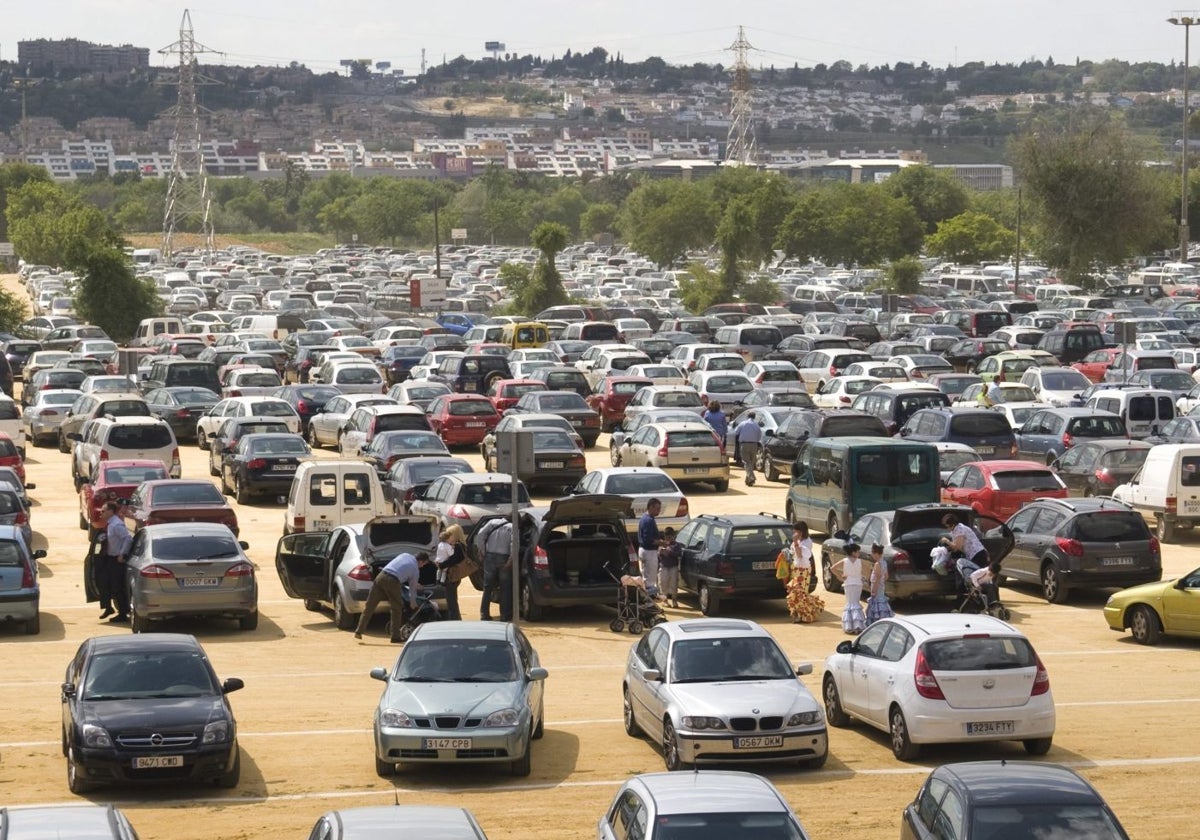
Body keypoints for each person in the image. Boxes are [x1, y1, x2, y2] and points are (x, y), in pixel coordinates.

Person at [354, 551, 431, 641]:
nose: (422, 567)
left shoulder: (404, 555)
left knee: (370, 606)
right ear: (421, 561)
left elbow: (399, 567)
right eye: (423, 564)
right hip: (393, 581)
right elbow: (412, 589)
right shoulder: (415, 570)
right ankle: (395, 636)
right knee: (396, 608)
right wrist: (413, 603)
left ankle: (359, 631)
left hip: (381, 576)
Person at [477, 518, 515, 621]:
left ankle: (484, 614)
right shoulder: (512, 528)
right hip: (504, 558)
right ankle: (504, 615)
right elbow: (514, 545)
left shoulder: (492, 522)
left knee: (487, 587)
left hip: (489, 557)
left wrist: (482, 551)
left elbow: (480, 535)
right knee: (505, 588)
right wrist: (511, 560)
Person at [786, 522, 824, 623]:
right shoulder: (798, 541)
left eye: (796, 531)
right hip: (796, 569)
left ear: (801, 531)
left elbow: (800, 555)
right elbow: (793, 554)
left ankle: (804, 614)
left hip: (803, 570)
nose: (794, 533)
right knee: (794, 592)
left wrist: (795, 542)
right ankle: (799, 614)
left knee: (800, 593)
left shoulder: (807, 542)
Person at [100, 502, 132, 623]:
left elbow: (127, 539)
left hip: (116, 560)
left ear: (111, 511)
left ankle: (123, 613)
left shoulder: (116, 525)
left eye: (103, 511)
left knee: (117, 586)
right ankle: (109, 607)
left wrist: (122, 554)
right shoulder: (110, 524)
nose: (101, 513)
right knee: (106, 583)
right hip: (109, 558)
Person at [941, 512, 989, 583]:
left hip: (977, 555)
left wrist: (946, 541)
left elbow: (957, 547)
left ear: (953, 524)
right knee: (978, 578)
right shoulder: (958, 529)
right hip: (978, 553)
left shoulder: (959, 529)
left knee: (977, 578)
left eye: (948, 526)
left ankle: (980, 592)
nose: (948, 528)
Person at [830, 543, 866, 634]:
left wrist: (840, 577)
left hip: (848, 583)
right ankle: (858, 624)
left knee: (850, 603)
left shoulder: (845, 560)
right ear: (853, 552)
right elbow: (868, 570)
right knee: (856, 603)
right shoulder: (860, 561)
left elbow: (832, 568)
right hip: (858, 583)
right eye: (858, 551)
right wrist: (863, 577)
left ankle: (850, 625)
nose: (859, 553)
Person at [434, 524, 465, 621]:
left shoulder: (458, 547)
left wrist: (441, 565)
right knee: (451, 599)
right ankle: (455, 618)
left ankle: (454, 619)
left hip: (452, 576)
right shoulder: (458, 545)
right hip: (454, 575)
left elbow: (453, 560)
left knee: (451, 600)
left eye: (449, 534)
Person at [637, 499, 662, 598]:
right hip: (649, 551)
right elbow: (649, 540)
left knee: (645, 576)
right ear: (651, 507)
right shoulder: (648, 520)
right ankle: (649, 601)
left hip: (644, 550)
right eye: (657, 508)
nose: (659, 511)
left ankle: (646, 598)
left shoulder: (645, 518)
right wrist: (662, 543)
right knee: (650, 580)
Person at [865, 543, 895, 625]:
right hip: (881, 587)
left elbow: (877, 578)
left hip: (877, 588)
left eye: (872, 553)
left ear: (876, 554)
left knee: (876, 604)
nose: (872, 555)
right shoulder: (884, 562)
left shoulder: (877, 564)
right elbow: (886, 576)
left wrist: (874, 589)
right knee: (882, 602)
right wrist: (882, 582)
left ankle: (875, 622)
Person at [733, 411, 764, 486]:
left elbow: (736, 432)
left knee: (746, 462)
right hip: (754, 445)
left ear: (747, 416)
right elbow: (759, 436)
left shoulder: (743, 423)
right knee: (751, 462)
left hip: (744, 444)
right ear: (754, 417)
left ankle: (751, 477)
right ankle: (749, 480)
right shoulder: (756, 425)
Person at [657, 526, 682, 608]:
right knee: (663, 583)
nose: (669, 538)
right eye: (667, 536)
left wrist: (670, 552)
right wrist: (661, 552)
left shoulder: (677, 545)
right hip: (663, 567)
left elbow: (678, 554)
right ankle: (665, 600)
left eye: (670, 536)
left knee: (674, 584)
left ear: (673, 536)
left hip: (673, 567)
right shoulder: (662, 545)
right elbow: (658, 555)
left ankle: (674, 599)